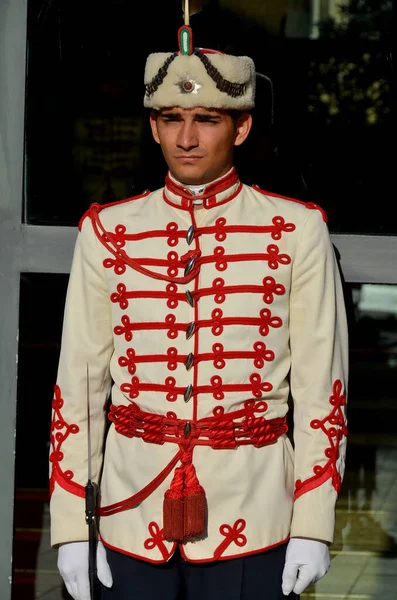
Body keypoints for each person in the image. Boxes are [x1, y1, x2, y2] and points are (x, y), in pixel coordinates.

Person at [49, 6, 349, 600]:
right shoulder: (106, 230)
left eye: (206, 120)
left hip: (255, 516)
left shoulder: (296, 229)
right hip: (129, 519)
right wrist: (71, 528)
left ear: (239, 128)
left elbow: (323, 391)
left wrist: (313, 525)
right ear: (153, 126)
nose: (186, 138)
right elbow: (77, 390)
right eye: (171, 119)